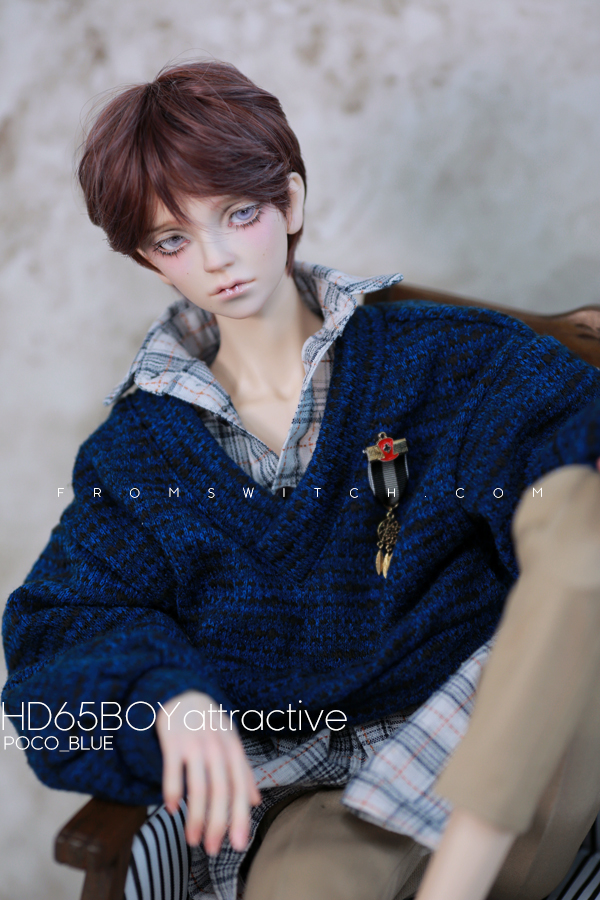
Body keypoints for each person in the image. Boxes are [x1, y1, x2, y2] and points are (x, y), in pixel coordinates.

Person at [3, 59, 600, 900]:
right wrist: (161, 695)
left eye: (238, 213)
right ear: (147, 259)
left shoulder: (448, 357)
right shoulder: (136, 455)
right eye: (173, 240)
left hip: (507, 736)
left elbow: (566, 454)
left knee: (580, 522)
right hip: (319, 800)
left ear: (290, 202)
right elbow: (57, 636)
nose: (217, 258)